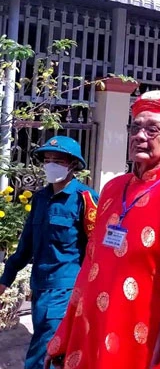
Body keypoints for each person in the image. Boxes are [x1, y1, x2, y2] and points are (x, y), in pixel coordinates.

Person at [45, 91, 160, 369]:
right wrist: (64, 335)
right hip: (89, 330)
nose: (140, 136)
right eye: (136, 127)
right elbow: (89, 266)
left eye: (152, 129)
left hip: (136, 342)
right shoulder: (112, 188)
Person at [0, 137, 98, 369]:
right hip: (40, 288)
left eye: (58, 160)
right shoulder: (40, 199)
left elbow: (96, 250)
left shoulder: (85, 199)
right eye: (47, 160)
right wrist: (5, 280)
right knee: (53, 349)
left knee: (45, 351)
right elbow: (25, 247)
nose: (51, 165)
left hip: (67, 288)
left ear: (72, 164)